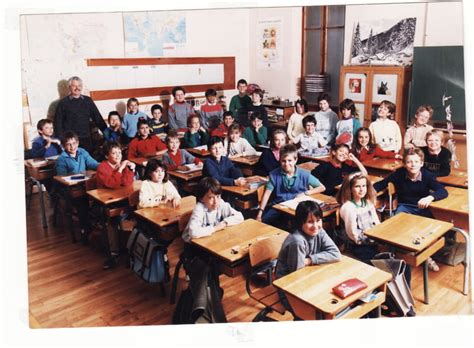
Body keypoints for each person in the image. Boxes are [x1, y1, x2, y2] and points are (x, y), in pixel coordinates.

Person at [373, 147, 448, 272]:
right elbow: (380, 184)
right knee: (397, 225)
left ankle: (426, 256)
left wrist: (430, 197)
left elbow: (442, 191)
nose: (412, 165)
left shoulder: (427, 176)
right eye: (409, 162)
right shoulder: (399, 174)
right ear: (404, 164)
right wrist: (369, 193)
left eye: (416, 162)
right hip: (405, 207)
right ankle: (402, 255)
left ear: (421, 163)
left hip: (422, 207)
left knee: (430, 230)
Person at [256, 144, 325, 228]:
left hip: (297, 208)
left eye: (289, 160)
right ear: (279, 160)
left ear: (295, 160)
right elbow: (267, 194)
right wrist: (260, 213)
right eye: (283, 161)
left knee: (297, 226)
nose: (286, 164)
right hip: (278, 206)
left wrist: (306, 193)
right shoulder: (274, 174)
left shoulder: (304, 174)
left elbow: (322, 187)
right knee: (263, 221)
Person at [95, 142, 136, 269]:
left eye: (119, 152)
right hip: (105, 202)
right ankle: (113, 253)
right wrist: (120, 169)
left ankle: (133, 248)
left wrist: (130, 169)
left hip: (121, 198)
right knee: (112, 220)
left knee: (139, 213)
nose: (118, 155)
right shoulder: (102, 167)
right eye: (114, 153)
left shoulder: (121, 164)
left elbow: (127, 183)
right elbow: (111, 184)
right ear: (107, 156)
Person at [275, 200, 340, 278]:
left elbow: (336, 254)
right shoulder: (297, 241)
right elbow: (296, 274)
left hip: (308, 273)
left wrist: (310, 260)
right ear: (300, 222)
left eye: (318, 220)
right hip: (288, 283)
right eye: (310, 222)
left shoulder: (319, 231)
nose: (315, 226)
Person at [55, 131, 99, 245]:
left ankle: (96, 225)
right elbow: (63, 178)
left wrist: (105, 166)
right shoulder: (62, 159)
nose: (72, 146)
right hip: (69, 189)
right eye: (68, 144)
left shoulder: (82, 152)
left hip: (85, 184)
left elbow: (93, 163)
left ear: (78, 143)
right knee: (82, 202)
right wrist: (78, 178)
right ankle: (85, 230)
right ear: (64, 146)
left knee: (97, 197)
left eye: (74, 143)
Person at [54, 76, 107, 154]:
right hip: (71, 141)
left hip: (86, 138)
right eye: (74, 86)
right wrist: (61, 140)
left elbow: (97, 118)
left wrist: (107, 132)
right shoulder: (63, 103)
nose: (77, 88)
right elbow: (58, 123)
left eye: (79, 86)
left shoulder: (88, 101)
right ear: (69, 87)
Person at [182, 177, 244, 243]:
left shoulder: (221, 203)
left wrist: (225, 223)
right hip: (192, 244)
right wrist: (215, 228)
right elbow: (193, 232)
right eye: (211, 198)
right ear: (201, 198)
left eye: (218, 196)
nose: (216, 201)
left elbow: (240, 217)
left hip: (209, 239)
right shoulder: (199, 208)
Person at [336, 173, 380, 263]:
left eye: (364, 186)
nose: (361, 190)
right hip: (359, 245)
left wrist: (379, 238)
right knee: (376, 262)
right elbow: (352, 234)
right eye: (357, 186)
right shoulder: (348, 207)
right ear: (350, 189)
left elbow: (377, 223)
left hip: (372, 240)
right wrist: (370, 241)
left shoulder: (368, 203)